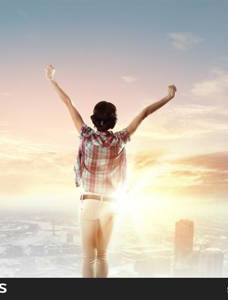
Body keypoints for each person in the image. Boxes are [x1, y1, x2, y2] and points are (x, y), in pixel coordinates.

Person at [45, 64, 176, 277]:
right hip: (112, 204)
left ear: (95, 119)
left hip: (89, 202)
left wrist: (51, 80)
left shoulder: (86, 135)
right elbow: (143, 113)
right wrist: (168, 97)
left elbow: (67, 102)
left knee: (88, 257)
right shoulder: (120, 139)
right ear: (113, 119)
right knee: (102, 256)